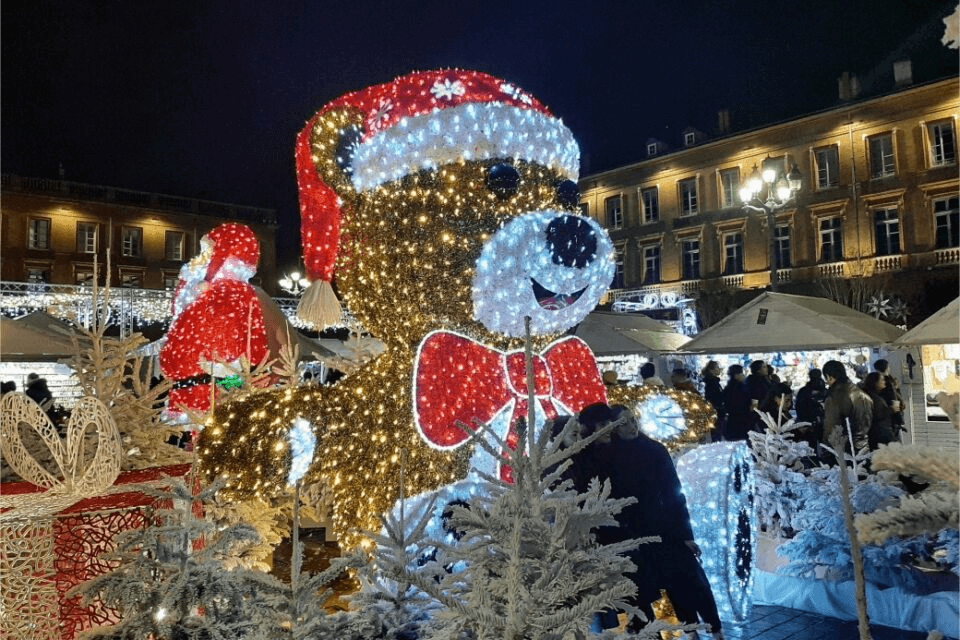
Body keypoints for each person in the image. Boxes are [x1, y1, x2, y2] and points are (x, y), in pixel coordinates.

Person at [577, 403, 725, 639]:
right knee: (641, 595)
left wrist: (685, 534)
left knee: (690, 585)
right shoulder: (605, 455)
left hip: (665, 531)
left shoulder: (654, 450)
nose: (631, 425)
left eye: (632, 419)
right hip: (630, 537)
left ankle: (711, 631)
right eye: (622, 422)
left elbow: (674, 493)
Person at [822, 360, 873, 456]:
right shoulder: (863, 394)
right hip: (865, 447)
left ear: (830, 377)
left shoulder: (835, 397)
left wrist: (826, 449)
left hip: (845, 451)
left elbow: (831, 427)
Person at [795, 369, 827, 453]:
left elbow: (799, 408)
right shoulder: (825, 391)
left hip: (808, 425)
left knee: (810, 449)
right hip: (824, 424)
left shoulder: (803, 391)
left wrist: (803, 422)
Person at [862, 372, 896, 450]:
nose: (884, 382)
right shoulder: (872, 397)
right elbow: (876, 415)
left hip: (881, 434)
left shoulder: (875, 395)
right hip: (880, 434)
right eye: (882, 380)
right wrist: (891, 410)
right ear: (875, 382)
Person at [873, 359, 905, 439]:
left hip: (881, 419)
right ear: (887, 368)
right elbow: (895, 400)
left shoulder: (874, 382)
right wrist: (900, 419)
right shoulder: (889, 382)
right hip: (892, 419)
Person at [721, 364, 752, 441]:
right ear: (736, 375)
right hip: (742, 419)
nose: (743, 375)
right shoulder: (741, 387)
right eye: (742, 373)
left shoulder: (728, 387)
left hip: (732, 420)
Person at [701, 361, 724, 441]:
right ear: (712, 370)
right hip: (716, 413)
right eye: (717, 368)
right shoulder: (712, 383)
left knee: (716, 435)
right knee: (716, 436)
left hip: (716, 412)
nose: (719, 370)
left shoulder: (712, 382)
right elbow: (714, 398)